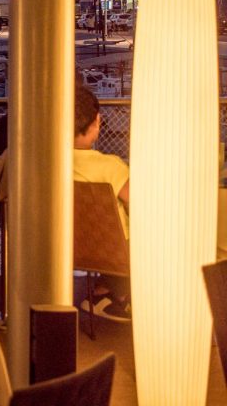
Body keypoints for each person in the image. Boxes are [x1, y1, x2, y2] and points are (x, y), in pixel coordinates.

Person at [73, 80, 131, 322]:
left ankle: (105, 292)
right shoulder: (110, 167)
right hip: (115, 250)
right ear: (96, 121)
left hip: (67, 245)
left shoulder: (47, 163)